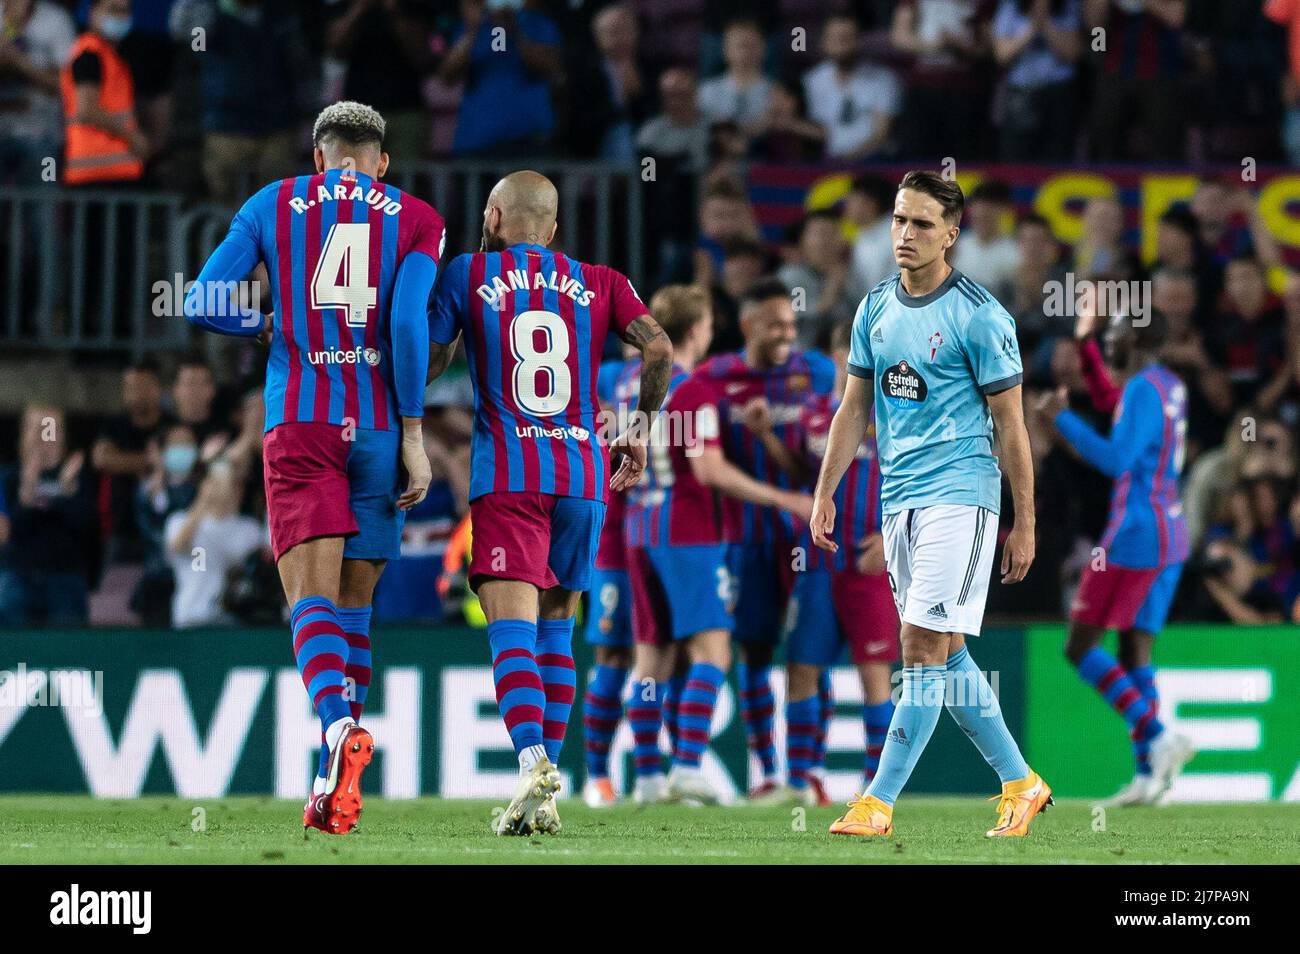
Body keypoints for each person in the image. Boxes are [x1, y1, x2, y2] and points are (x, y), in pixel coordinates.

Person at [183, 100, 446, 836]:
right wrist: (415, 433)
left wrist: (262, 323)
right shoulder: (418, 216)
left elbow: (203, 301)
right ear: (381, 160)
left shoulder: (274, 201)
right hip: (381, 430)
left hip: (302, 418)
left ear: (318, 156)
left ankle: (335, 734)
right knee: (355, 608)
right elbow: (404, 323)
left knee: (310, 602)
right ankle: (336, 786)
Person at [427, 170, 673, 836]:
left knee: (510, 627)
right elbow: (659, 347)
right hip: (582, 476)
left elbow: (430, 363)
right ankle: (546, 791)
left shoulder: (468, 272)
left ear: (495, 217)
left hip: (509, 474)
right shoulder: (602, 281)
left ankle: (533, 761)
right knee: (557, 628)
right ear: (554, 229)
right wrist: (641, 431)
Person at [810, 171, 1049, 838]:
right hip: (899, 498)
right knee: (944, 655)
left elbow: (1012, 426)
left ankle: (877, 802)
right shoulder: (875, 308)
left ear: (952, 234)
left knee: (918, 645)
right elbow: (854, 407)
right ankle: (1021, 783)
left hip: (963, 496)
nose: (904, 234)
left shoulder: (979, 315)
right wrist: (826, 490)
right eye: (898, 220)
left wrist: (1022, 521)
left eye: (920, 224)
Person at [621, 284, 811, 805]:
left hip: (637, 528)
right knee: (713, 651)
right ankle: (685, 765)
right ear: (695, 330)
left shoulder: (625, 388)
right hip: (687, 532)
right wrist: (782, 499)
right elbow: (708, 470)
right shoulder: (694, 389)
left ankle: (648, 777)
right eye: (707, 326)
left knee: (651, 662)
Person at [1038, 309, 1196, 806]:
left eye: (1117, 332)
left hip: (1134, 534)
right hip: (1169, 529)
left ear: (1138, 339)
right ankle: (1151, 778)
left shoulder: (1144, 390)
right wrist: (1086, 348)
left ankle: (1157, 735)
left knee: (1080, 645)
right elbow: (1116, 406)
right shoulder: (1166, 386)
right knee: (1135, 653)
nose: (1111, 339)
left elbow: (1116, 459)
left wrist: (1057, 418)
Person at [690, 278, 833, 798]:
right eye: (775, 324)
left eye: (791, 325)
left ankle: (809, 771)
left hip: (807, 537)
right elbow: (703, 459)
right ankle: (769, 773)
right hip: (744, 537)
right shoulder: (713, 378)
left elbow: (819, 463)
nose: (785, 334)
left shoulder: (814, 373)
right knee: (753, 652)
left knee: (811, 654)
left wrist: (768, 436)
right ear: (748, 324)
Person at [780, 320, 899, 806]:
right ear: (834, 358)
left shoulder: (898, 415)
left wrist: (895, 541)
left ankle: (877, 785)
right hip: (817, 560)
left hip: (870, 560)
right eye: (848, 354)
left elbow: (921, 480)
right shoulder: (812, 415)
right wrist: (768, 437)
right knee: (801, 666)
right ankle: (801, 779)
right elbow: (796, 473)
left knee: (874, 671)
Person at [165, 460, 265, 628]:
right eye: (228, 484)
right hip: (190, 616)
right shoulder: (179, 520)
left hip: (234, 622)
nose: (232, 490)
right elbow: (176, 545)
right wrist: (204, 498)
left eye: (237, 485)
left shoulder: (250, 529)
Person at [59, 0, 147, 185]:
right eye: (112, 9)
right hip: (94, 174)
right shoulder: (89, 54)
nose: (119, 17)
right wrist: (134, 137)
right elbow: (87, 110)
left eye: (125, 11)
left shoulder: (110, 55)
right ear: (92, 13)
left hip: (113, 171)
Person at [92, 358, 170, 561]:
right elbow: (102, 460)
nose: (137, 393)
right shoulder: (113, 425)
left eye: (143, 386)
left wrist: (124, 461)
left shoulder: (171, 426)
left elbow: (180, 462)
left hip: (164, 529)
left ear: (157, 389)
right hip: (120, 530)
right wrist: (153, 461)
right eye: (130, 387)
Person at [801, 14, 900, 160]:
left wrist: (849, 159)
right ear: (823, 43)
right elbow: (820, 130)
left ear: (860, 41)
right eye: (836, 39)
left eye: (847, 38)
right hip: (826, 161)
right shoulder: (812, 81)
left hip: (874, 160)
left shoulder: (884, 79)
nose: (842, 45)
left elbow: (881, 134)